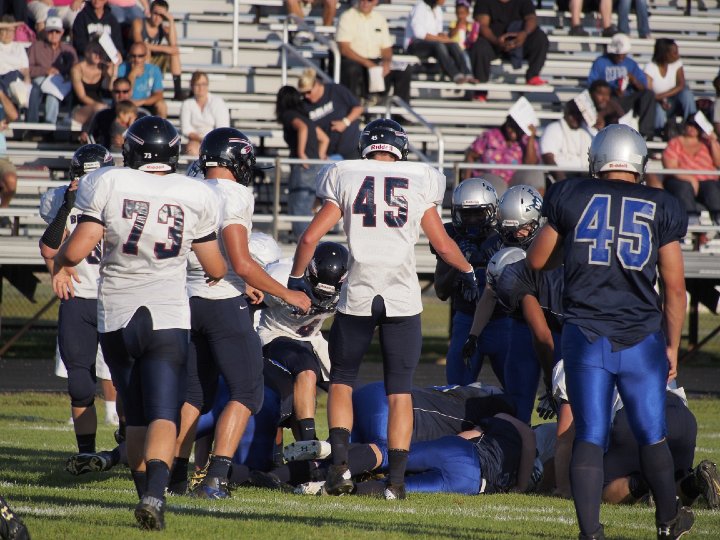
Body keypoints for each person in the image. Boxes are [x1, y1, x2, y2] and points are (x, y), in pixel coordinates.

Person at [50, 116, 227, 531]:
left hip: (117, 313)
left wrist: (62, 262)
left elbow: (75, 251)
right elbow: (216, 267)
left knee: (135, 414)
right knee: (164, 411)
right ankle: (155, 496)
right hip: (167, 315)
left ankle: (144, 492)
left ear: (130, 150)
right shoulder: (195, 192)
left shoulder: (109, 182)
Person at [289, 118, 480, 500]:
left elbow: (310, 237)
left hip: (359, 291)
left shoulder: (345, 174)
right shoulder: (419, 178)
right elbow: (443, 245)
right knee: (399, 392)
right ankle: (395, 482)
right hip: (402, 296)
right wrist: (468, 270)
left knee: (342, 379)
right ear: (400, 149)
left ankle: (340, 468)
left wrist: (296, 278)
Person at [526, 124, 693, 539]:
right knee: (651, 434)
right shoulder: (661, 204)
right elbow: (675, 288)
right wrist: (673, 345)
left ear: (596, 159)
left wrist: (571, 249)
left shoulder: (570, 193)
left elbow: (537, 260)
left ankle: (591, 534)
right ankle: (668, 521)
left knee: (590, 435)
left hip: (585, 336)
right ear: (639, 162)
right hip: (641, 338)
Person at [171, 127, 312, 500]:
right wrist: (287, 293)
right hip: (222, 305)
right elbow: (242, 261)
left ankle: (175, 476)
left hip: (188, 299)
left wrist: (240, 280)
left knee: (194, 395)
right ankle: (216, 478)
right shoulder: (233, 194)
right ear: (237, 161)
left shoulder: (190, 188)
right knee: (248, 392)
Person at [39, 143, 121, 474]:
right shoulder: (61, 199)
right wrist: (68, 206)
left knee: (126, 378)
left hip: (117, 297)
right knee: (79, 384)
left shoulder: (125, 198)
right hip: (79, 297)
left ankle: (128, 444)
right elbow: (49, 247)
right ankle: (86, 454)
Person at [551, 360, 720, 510]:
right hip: (681, 417)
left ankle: (646, 482)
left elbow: (565, 435)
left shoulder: (573, 360)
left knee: (600, 490)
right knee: (673, 482)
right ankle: (694, 482)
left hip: (634, 413)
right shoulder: (647, 344)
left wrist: (564, 488)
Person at [260, 242, 348, 444]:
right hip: (275, 334)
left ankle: (343, 447)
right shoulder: (281, 276)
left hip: (312, 339)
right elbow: (248, 303)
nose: (321, 298)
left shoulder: (350, 287)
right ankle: (308, 443)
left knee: (347, 385)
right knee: (306, 368)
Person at [433, 178, 498, 385]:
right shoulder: (452, 238)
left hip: (502, 321)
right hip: (465, 319)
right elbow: (441, 291)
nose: (472, 220)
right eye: (466, 214)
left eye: (478, 213)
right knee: (457, 388)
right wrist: (459, 264)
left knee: (518, 391)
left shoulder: (503, 237)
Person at [276, 85, 329, 239]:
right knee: (307, 207)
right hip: (314, 166)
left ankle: (305, 245)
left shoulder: (289, 115)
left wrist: (301, 154)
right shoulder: (305, 116)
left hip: (304, 166)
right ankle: (310, 243)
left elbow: (302, 128)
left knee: (299, 208)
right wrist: (319, 156)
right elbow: (324, 138)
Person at [468, 0, 549, 100]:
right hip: (493, 43)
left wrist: (524, 34)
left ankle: (533, 76)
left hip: (519, 42)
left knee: (540, 38)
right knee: (479, 46)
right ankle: (481, 89)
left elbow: (531, 18)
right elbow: (482, 24)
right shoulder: (484, 2)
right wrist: (496, 41)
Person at [336, 0, 412, 106]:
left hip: (376, 60)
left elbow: (386, 48)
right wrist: (368, 63)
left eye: (369, 0)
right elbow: (344, 49)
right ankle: (352, 107)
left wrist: (386, 61)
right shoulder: (347, 17)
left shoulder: (379, 19)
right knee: (351, 69)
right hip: (355, 60)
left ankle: (401, 110)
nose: (365, 2)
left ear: (375, 1)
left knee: (403, 69)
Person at [587, 33, 656, 140]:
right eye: (618, 54)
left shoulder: (631, 64)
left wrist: (634, 81)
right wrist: (610, 90)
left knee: (649, 94)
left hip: (627, 98)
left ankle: (646, 133)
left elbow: (644, 87)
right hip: (609, 98)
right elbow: (592, 85)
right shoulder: (600, 62)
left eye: (623, 54)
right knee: (609, 103)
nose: (620, 57)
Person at [662, 115, 720, 226]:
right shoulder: (675, 143)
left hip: (706, 182)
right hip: (681, 180)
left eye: (696, 125)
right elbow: (670, 167)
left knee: (711, 187)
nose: (692, 127)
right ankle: (691, 219)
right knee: (683, 186)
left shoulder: (707, 143)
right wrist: (690, 178)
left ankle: (718, 217)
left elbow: (718, 163)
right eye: (690, 124)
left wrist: (713, 141)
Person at [297, 68, 363, 159]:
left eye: (308, 92)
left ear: (316, 84)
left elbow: (358, 108)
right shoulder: (304, 105)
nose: (306, 96)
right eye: (303, 93)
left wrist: (345, 122)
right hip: (329, 154)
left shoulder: (335, 90)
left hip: (351, 148)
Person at [404, 0, 475, 85]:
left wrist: (446, 38)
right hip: (415, 45)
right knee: (439, 45)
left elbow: (438, 32)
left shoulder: (438, 10)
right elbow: (419, 34)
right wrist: (441, 39)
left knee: (453, 44)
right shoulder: (420, 7)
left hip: (432, 44)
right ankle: (455, 75)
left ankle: (467, 74)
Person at [26, 15, 78, 125]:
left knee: (53, 94)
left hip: (62, 81)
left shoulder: (69, 50)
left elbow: (76, 69)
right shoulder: (36, 47)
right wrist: (45, 70)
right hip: (40, 79)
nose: (54, 34)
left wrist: (68, 76)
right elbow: (27, 69)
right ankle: (33, 124)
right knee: (36, 89)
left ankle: (49, 125)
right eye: (51, 31)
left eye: (57, 31)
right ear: (45, 32)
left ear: (62, 32)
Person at [462, 115, 539, 184]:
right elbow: (471, 156)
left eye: (517, 128)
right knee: (496, 185)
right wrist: (466, 183)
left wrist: (531, 138)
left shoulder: (525, 140)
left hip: (514, 183)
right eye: (511, 127)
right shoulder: (490, 136)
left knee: (536, 177)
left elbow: (530, 165)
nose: (512, 131)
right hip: (490, 181)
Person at [131, 0, 184, 101]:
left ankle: (178, 92)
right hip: (135, 59)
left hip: (153, 60)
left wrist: (171, 21)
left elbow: (173, 46)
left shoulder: (163, 28)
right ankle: (145, 91)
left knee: (174, 53)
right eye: (155, 13)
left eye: (161, 15)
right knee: (146, 52)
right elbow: (140, 45)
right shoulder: (139, 23)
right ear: (150, 12)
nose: (157, 18)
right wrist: (164, 48)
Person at [644, 39, 696, 139]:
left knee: (687, 94)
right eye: (674, 52)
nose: (678, 55)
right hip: (657, 104)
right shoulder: (650, 68)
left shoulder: (677, 63)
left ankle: (692, 124)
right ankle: (658, 134)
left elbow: (681, 85)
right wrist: (661, 101)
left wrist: (662, 97)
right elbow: (649, 94)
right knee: (658, 109)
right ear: (664, 54)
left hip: (674, 102)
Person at [82, 77, 146, 148]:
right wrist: (85, 138)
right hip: (108, 153)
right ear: (112, 92)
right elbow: (91, 138)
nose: (121, 95)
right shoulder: (102, 115)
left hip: (133, 154)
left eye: (125, 91)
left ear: (131, 92)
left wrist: (127, 142)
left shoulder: (142, 117)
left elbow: (147, 142)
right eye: (117, 92)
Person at [540, 98, 593, 182]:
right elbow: (548, 157)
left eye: (578, 114)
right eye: (572, 113)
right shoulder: (553, 128)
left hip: (585, 175)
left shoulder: (588, 132)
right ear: (565, 113)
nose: (575, 117)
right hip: (562, 177)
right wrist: (561, 180)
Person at [179, 71, 230, 157]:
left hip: (215, 140)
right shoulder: (187, 104)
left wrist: (208, 140)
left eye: (203, 84)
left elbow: (222, 128)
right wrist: (200, 139)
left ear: (207, 85)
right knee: (192, 148)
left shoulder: (218, 102)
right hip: (195, 141)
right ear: (192, 86)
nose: (201, 88)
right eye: (197, 84)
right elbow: (186, 129)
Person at [70, 39, 115, 131]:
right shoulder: (77, 69)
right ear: (87, 53)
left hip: (100, 106)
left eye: (101, 53)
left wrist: (112, 74)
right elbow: (82, 96)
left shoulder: (103, 68)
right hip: (80, 107)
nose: (98, 55)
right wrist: (100, 106)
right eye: (95, 52)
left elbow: (111, 89)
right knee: (102, 110)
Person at [118, 41, 167, 118]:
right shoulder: (122, 68)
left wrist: (142, 102)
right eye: (133, 56)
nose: (136, 59)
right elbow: (124, 93)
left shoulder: (154, 69)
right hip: (127, 103)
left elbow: (159, 95)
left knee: (162, 105)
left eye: (140, 56)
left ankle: (161, 126)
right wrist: (132, 75)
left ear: (145, 56)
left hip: (146, 103)